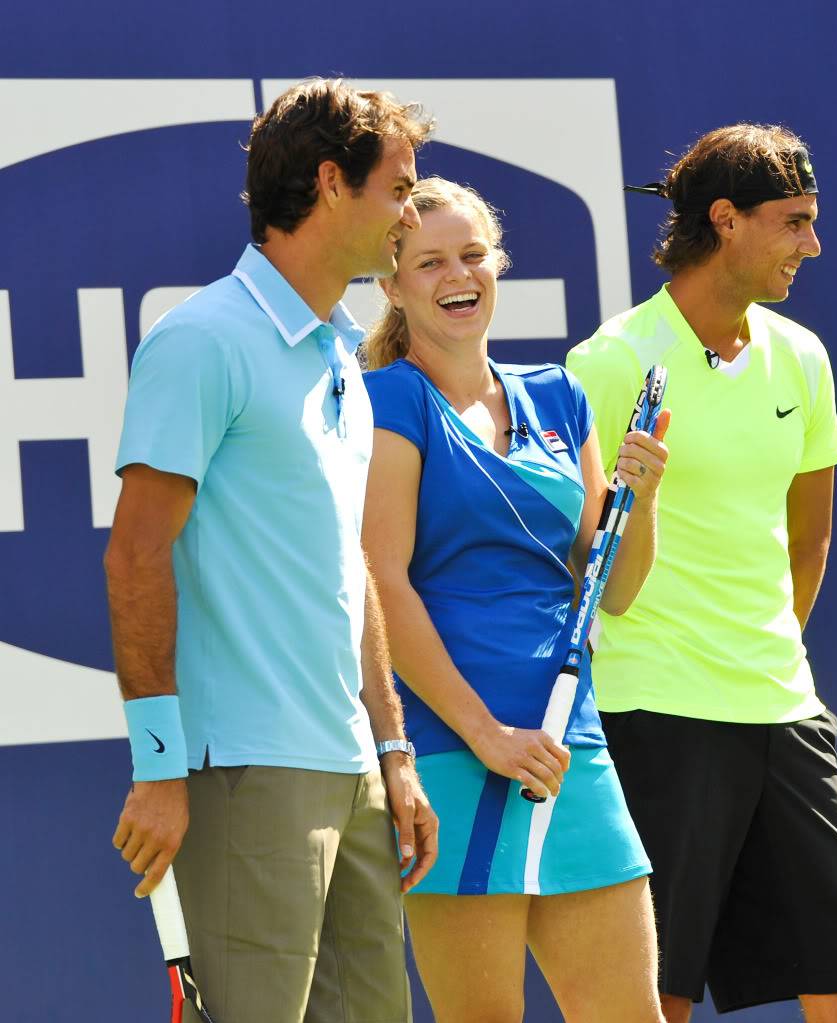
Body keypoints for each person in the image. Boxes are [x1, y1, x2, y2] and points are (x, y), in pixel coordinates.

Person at [104, 78, 439, 1023]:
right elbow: (134, 557)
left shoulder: (343, 355)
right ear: (332, 184)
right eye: (399, 190)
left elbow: (352, 569)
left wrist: (393, 747)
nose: (408, 214)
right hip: (242, 768)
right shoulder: (202, 340)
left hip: (353, 771)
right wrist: (160, 765)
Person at [567, 125, 837, 1023]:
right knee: (654, 998)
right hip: (654, 711)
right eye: (794, 223)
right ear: (725, 221)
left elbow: (806, 537)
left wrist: (762, 649)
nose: (812, 246)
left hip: (782, 706)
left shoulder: (803, 356)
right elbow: (583, 553)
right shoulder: (611, 361)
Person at [361, 176, 670, 1023]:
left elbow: (617, 587)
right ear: (390, 286)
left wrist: (636, 502)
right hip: (455, 753)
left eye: (470, 255)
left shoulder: (560, 396)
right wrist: (485, 734)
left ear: (496, 264)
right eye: (427, 263)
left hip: (569, 745)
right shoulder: (390, 399)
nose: (455, 276)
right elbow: (379, 583)